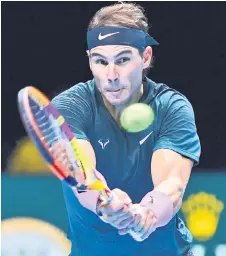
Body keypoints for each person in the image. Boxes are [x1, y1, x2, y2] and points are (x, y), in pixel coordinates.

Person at [52, 2, 200, 256]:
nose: (111, 74)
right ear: (89, 61)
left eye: (122, 60)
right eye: (100, 61)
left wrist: (148, 212)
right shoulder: (69, 106)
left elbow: (172, 182)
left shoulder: (171, 107)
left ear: (145, 57)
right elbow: (82, 172)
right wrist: (104, 203)